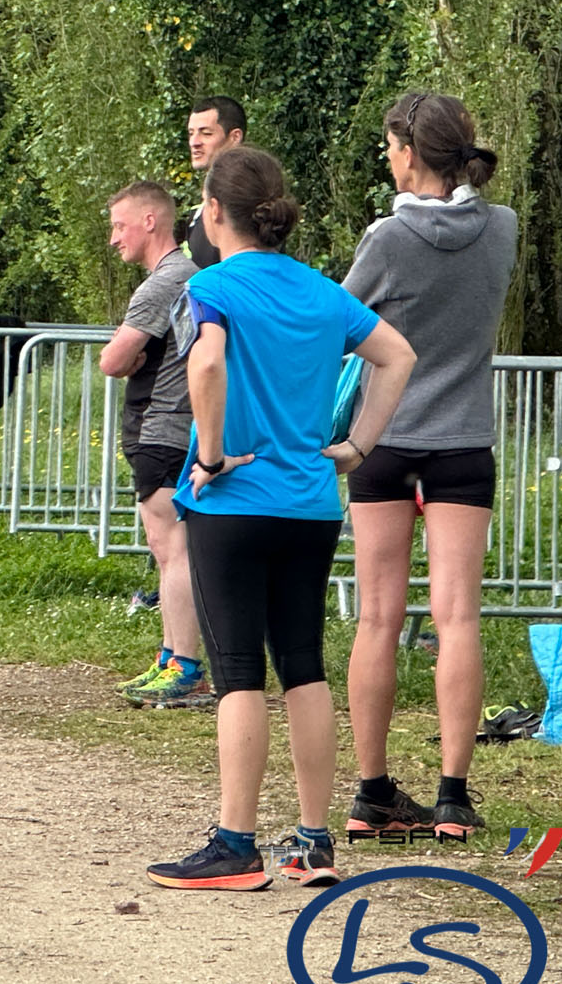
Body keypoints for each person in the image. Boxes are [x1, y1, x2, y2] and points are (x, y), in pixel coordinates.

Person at [148, 147, 415, 891]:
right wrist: (357, 445)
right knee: (303, 665)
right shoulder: (321, 290)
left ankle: (236, 845)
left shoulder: (210, 285)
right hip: (309, 503)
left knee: (237, 670)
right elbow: (396, 356)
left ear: (213, 212)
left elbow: (207, 364)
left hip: (234, 501)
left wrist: (208, 455)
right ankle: (314, 842)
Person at [342, 92, 517, 841]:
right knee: (457, 617)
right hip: (462, 442)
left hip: (384, 439)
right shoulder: (503, 228)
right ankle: (453, 797)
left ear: (409, 154)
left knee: (379, 617)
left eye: (390, 147)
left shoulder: (386, 239)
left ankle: (372, 792)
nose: (388, 158)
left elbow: (341, 321)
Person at [98, 182, 208, 709]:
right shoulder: (188, 275)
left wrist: (128, 358)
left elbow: (113, 360)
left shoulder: (164, 282)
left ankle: (185, 665)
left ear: (150, 221)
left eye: (119, 226)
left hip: (162, 429)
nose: (113, 238)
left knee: (173, 550)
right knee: (166, 551)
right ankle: (169, 658)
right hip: (170, 428)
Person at [183, 96, 246, 269]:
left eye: (206, 133)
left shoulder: (247, 200)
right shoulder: (198, 210)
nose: (194, 142)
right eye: (191, 133)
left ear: (235, 137)